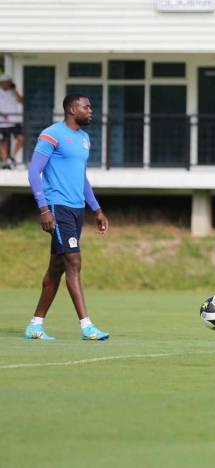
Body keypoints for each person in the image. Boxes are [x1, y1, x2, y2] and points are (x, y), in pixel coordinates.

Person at [23, 94, 110, 341]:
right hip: (57, 207)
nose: (91, 110)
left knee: (56, 268)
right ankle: (87, 326)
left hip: (76, 209)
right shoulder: (51, 134)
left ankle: (35, 325)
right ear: (73, 109)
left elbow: (81, 178)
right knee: (73, 261)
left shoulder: (84, 138)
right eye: (87, 106)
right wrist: (43, 209)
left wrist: (97, 209)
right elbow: (33, 172)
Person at [0, 73, 24, 168]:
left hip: (15, 121)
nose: (6, 84)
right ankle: (6, 161)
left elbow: (21, 101)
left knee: (21, 138)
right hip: (2, 123)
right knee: (3, 142)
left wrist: (15, 90)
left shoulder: (13, 93)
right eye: (4, 83)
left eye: (8, 83)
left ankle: (13, 158)